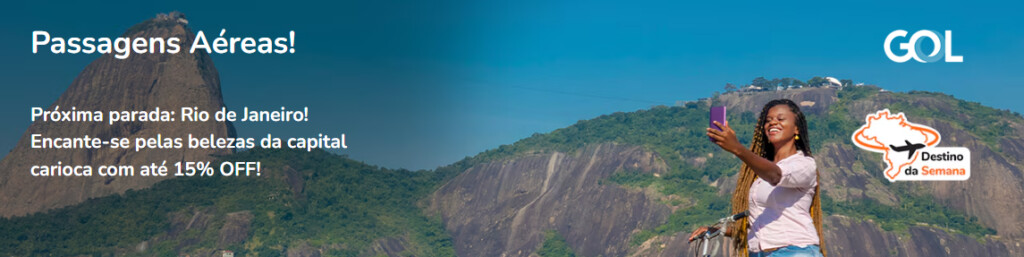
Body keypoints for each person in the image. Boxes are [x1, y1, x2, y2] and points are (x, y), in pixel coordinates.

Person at [691, 99, 826, 257]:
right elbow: (760, 226)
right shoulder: (760, 176)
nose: (772, 123)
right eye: (768, 120)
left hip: (794, 251)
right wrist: (719, 230)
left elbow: (776, 175)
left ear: (796, 129)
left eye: (780, 119)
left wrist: (737, 148)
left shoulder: (804, 164)